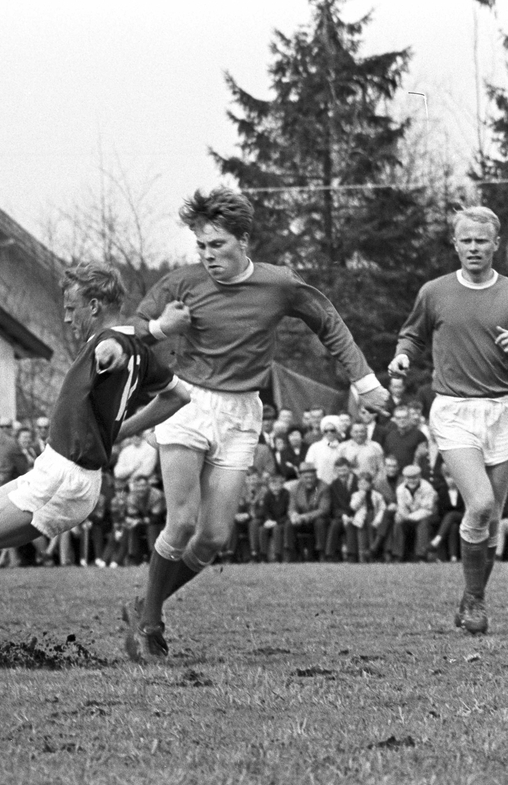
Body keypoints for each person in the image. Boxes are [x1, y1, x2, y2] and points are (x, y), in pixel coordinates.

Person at [122, 187, 390, 661]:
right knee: (181, 521)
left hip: (243, 411)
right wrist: (163, 327)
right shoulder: (180, 283)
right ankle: (149, 627)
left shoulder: (278, 284)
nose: (208, 255)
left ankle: (148, 602)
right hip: (185, 402)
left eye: (218, 245)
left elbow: (328, 321)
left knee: (213, 538)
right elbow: (132, 332)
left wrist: (364, 380)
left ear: (243, 240)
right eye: (201, 245)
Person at [0, 262, 190, 669]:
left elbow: (115, 352)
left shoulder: (110, 343)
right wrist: (115, 432)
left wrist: (132, 344)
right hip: (55, 470)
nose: (68, 316)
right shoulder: (133, 347)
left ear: (94, 305)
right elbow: (178, 396)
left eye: (72, 307)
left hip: (66, 479)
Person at [390, 205, 508, 634]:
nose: (474, 248)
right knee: (478, 504)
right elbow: (412, 332)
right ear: (455, 244)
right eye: (466, 240)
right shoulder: (435, 292)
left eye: (482, 241)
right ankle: (477, 600)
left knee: (492, 518)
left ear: (496, 244)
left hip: (500, 411)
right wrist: (404, 355)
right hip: (453, 410)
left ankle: (469, 597)